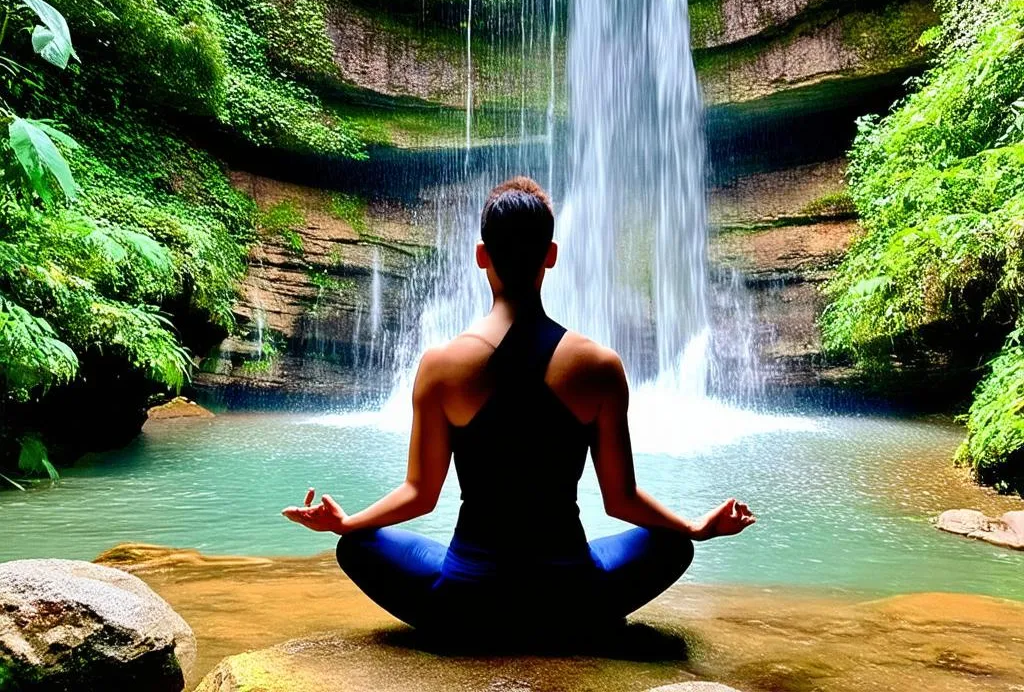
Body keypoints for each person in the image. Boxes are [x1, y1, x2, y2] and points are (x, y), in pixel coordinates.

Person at [283, 176, 755, 638]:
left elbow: (420, 494)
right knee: (673, 545)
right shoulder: (600, 367)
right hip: (574, 599)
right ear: (550, 257)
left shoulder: (440, 366)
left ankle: (472, 618)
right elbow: (621, 500)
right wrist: (695, 528)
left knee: (356, 547)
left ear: (480, 256)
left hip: (464, 603)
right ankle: (570, 619)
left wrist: (346, 523)